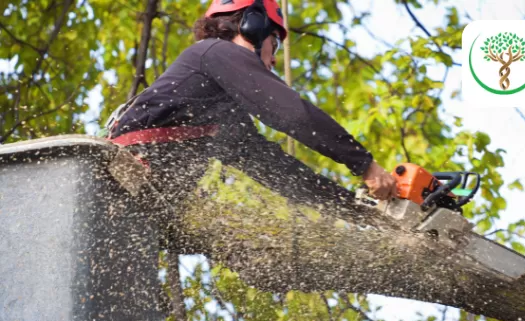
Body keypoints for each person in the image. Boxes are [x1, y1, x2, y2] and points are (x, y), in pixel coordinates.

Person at [105, 0, 397, 225]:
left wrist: (360, 212)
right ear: (252, 26)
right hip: (120, 180)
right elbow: (292, 114)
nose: (274, 59)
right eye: (275, 43)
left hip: (138, 207)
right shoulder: (213, 52)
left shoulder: (221, 114)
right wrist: (365, 165)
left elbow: (279, 172)